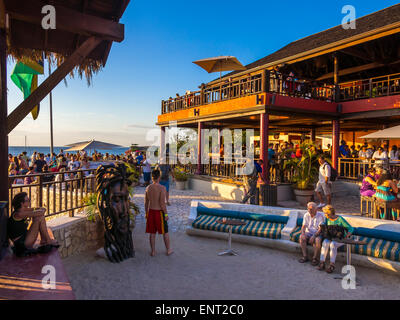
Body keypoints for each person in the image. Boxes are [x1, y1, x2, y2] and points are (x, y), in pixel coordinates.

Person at [315, 205, 354, 273]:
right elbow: (325, 226)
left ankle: (332, 265)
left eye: (325, 213)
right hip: (331, 237)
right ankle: (322, 262)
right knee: (325, 242)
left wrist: (347, 236)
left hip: (340, 238)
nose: (325, 214)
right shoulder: (327, 219)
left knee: (333, 244)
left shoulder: (340, 219)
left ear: (329, 213)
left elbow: (350, 228)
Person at [144, 169, 173, 256]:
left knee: (152, 233)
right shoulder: (162, 188)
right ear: (159, 177)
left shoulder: (148, 188)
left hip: (151, 212)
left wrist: (146, 213)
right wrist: (166, 214)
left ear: (152, 177)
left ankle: (153, 251)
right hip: (159, 213)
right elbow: (162, 203)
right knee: (165, 232)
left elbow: (146, 203)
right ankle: (168, 250)